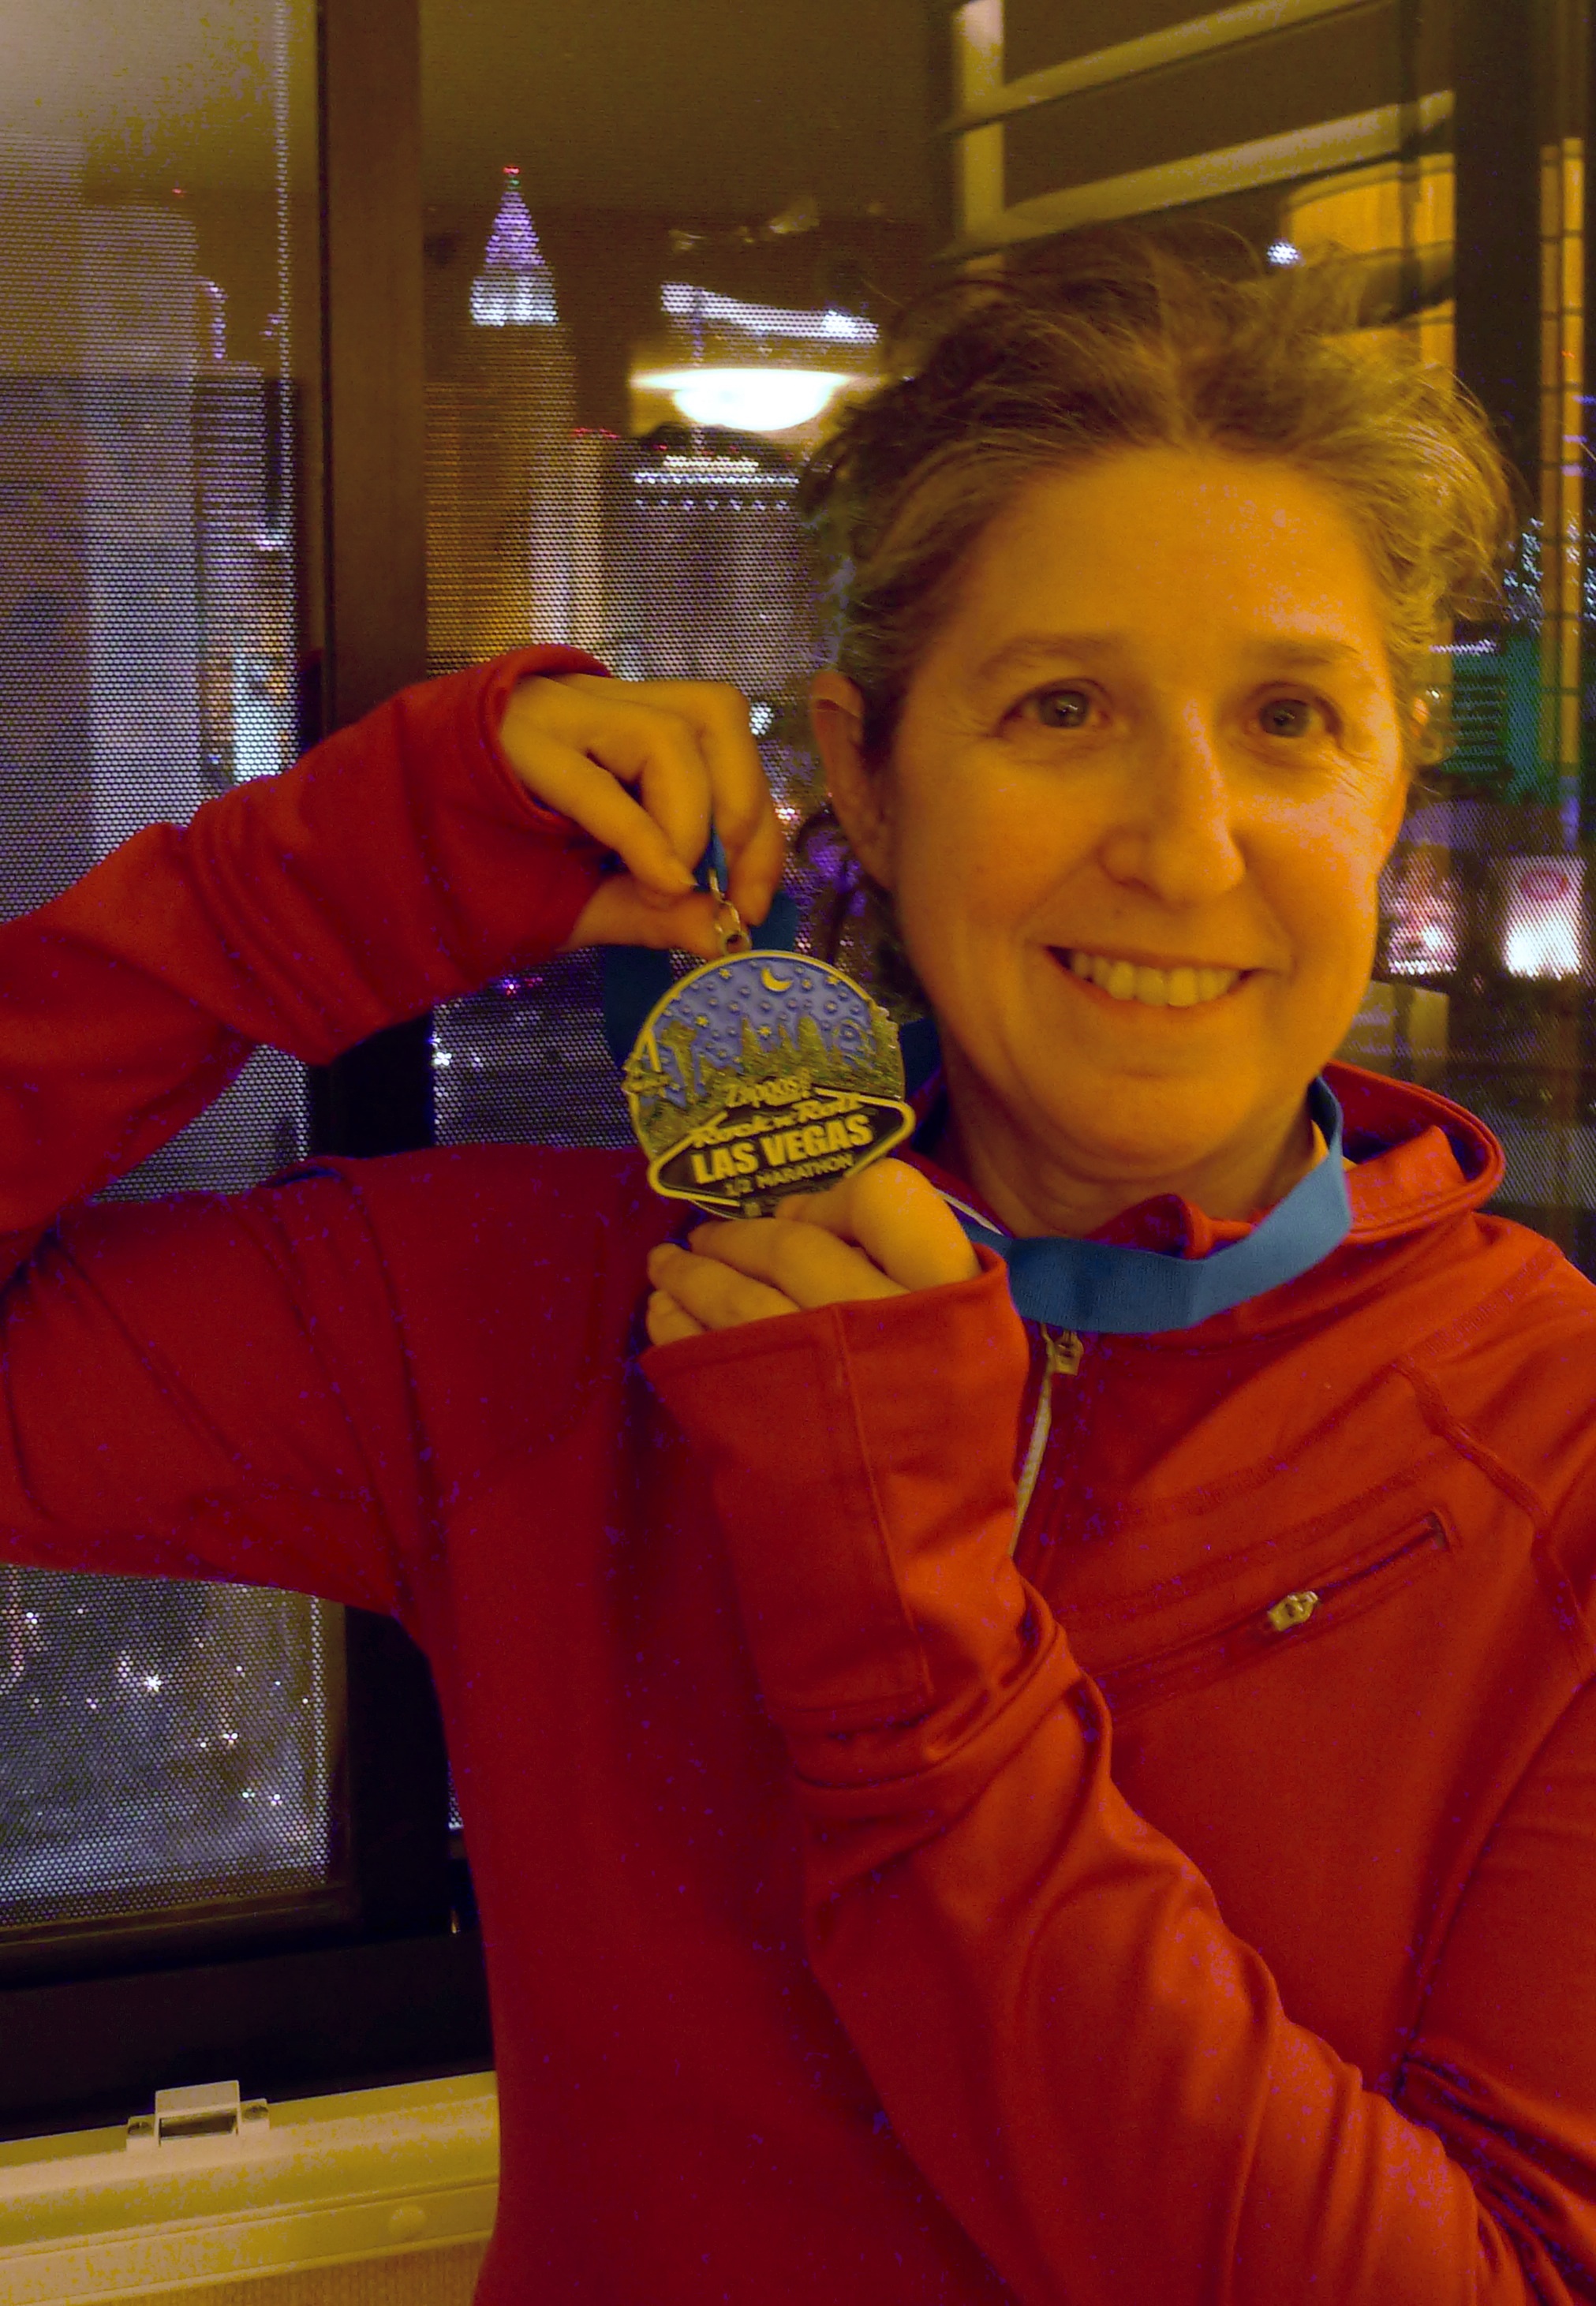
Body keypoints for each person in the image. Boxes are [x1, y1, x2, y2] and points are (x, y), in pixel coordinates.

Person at [1, 224, 1592, 2303]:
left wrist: (905, 1642)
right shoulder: (545, 1317)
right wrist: (312, 888)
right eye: (1062, 706)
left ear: (1389, 795)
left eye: (1291, 717)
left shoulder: (1553, 1437)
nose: (1186, 843)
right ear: (868, 774)